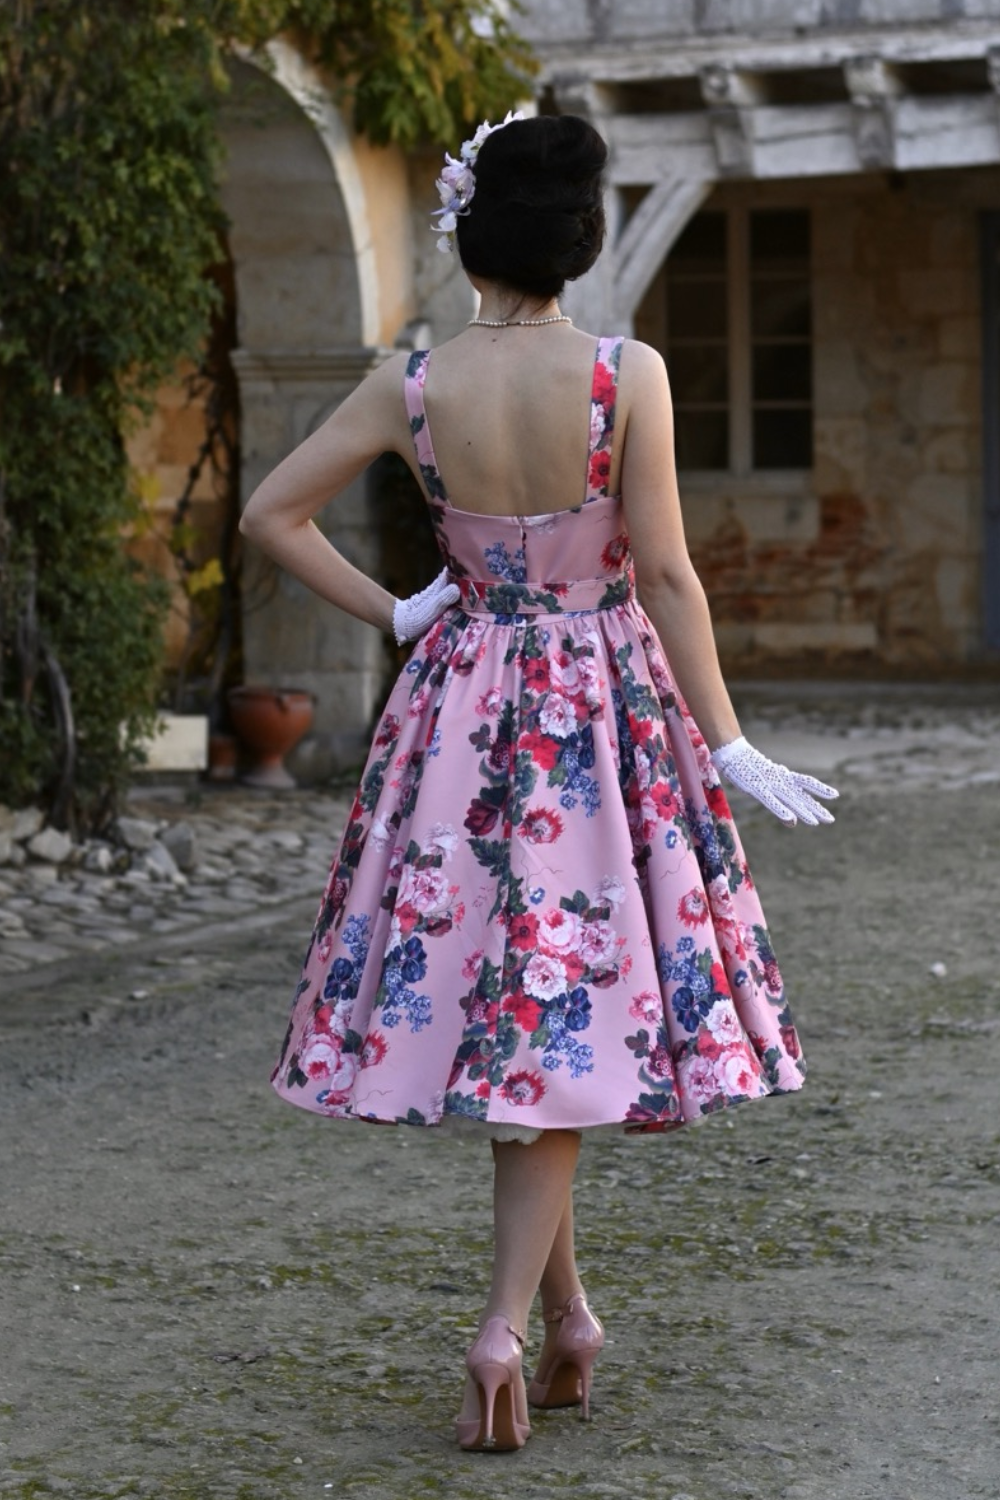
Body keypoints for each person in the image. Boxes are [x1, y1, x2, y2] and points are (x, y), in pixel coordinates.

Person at [239, 111, 838, 1453]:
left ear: (468, 236)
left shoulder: (410, 385)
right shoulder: (629, 374)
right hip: (599, 725)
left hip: (458, 720)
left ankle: (571, 1320)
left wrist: (402, 613)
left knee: (518, 1023)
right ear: (581, 242)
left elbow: (270, 512)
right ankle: (502, 1333)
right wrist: (728, 739)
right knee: (550, 1025)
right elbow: (665, 571)